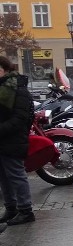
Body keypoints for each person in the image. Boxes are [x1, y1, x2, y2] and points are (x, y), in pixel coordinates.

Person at [0, 56, 35, 226]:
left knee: (16, 175)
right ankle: (11, 208)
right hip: (3, 139)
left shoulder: (18, 89)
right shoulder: (2, 87)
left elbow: (20, 118)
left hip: (13, 139)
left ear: (3, 69)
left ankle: (25, 210)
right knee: (3, 177)